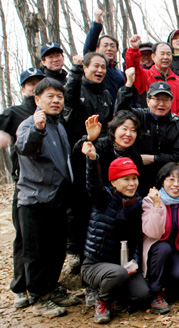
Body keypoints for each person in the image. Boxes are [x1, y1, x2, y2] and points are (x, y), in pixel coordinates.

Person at [15, 78, 79, 318]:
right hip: (34, 199)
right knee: (36, 251)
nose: (56, 100)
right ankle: (39, 296)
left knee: (55, 249)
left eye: (59, 97)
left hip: (57, 198)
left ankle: (52, 288)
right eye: (50, 96)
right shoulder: (30, 124)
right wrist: (37, 129)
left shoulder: (58, 124)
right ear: (37, 99)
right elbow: (25, 148)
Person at [67, 112, 144, 275]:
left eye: (133, 130)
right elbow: (78, 157)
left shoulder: (134, 154)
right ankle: (88, 279)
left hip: (119, 203)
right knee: (91, 239)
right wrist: (89, 139)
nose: (128, 134)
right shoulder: (101, 145)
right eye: (124, 129)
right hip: (94, 198)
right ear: (114, 129)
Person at [79, 152, 149, 324]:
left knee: (142, 296)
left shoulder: (138, 203)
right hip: (96, 264)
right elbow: (93, 184)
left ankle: (115, 292)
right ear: (113, 182)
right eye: (126, 179)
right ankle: (102, 301)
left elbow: (138, 238)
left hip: (124, 265)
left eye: (134, 178)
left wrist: (136, 261)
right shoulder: (103, 199)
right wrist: (92, 159)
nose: (132, 184)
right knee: (116, 274)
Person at [0, 67, 45, 308]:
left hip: (50, 185)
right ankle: (20, 287)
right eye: (30, 83)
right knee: (25, 239)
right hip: (24, 183)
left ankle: (43, 285)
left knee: (46, 240)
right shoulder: (14, 112)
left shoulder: (51, 110)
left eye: (39, 81)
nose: (34, 85)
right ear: (23, 88)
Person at [141, 162, 179, 314]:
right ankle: (155, 292)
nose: (176, 184)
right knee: (163, 248)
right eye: (171, 179)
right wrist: (157, 205)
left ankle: (164, 286)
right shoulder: (150, 201)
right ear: (162, 181)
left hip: (176, 250)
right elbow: (153, 233)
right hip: (156, 250)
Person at [116, 72, 179, 196]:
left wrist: (153, 159)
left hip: (165, 181)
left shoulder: (178, 126)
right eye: (157, 99)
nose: (161, 104)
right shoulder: (139, 116)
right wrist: (128, 85)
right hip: (136, 179)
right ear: (148, 100)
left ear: (171, 102)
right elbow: (120, 113)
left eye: (166, 99)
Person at [126, 34, 179, 121]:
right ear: (153, 57)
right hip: (150, 125)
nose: (165, 57)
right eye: (162, 54)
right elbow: (133, 68)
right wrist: (134, 50)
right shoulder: (146, 76)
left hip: (174, 127)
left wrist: (178, 121)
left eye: (168, 54)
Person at [64, 53, 114, 146]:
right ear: (85, 68)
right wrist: (76, 69)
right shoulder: (77, 89)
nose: (100, 70)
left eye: (103, 67)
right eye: (96, 66)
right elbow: (69, 97)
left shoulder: (106, 94)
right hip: (80, 146)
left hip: (103, 147)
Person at [83, 9, 125, 100]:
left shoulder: (120, 74)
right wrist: (97, 24)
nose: (109, 48)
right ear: (97, 49)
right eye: (105, 45)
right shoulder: (97, 69)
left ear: (117, 50)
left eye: (112, 46)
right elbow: (89, 49)